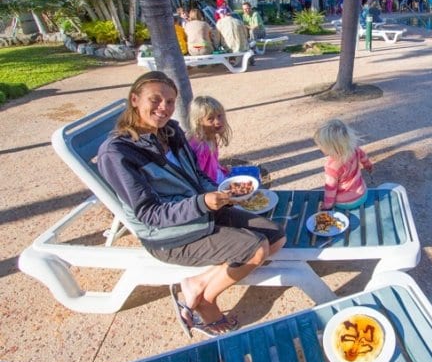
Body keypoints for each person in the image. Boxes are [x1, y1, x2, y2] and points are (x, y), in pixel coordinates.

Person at [97, 72, 285, 338]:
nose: (164, 107)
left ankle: (197, 284)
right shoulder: (118, 153)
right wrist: (203, 202)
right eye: (156, 99)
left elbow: (197, 174)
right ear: (135, 99)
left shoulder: (170, 132)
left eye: (170, 101)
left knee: (276, 236)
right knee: (256, 249)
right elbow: (149, 214)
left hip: (201, 211)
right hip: (167, 235)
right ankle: (207, 304)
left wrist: (219, 191)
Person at [313, 119, 373, 211]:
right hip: (363, 195)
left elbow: (330, 189)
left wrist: (327, 206)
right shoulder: (354, 149)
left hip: (345, 203)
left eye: (321, 145)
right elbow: (364, 158)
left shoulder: (332, 166)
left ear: (330, 147)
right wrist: (368, 165)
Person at [187, 96, 232, 183]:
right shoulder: (200, 146)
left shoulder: (210, 135)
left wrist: (220, 168)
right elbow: (199, 177)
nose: (217, 121)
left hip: (217, 175)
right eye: (210, 118)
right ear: (199, 121)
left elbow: (211, 163)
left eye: (219, 116)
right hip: (211, 186)